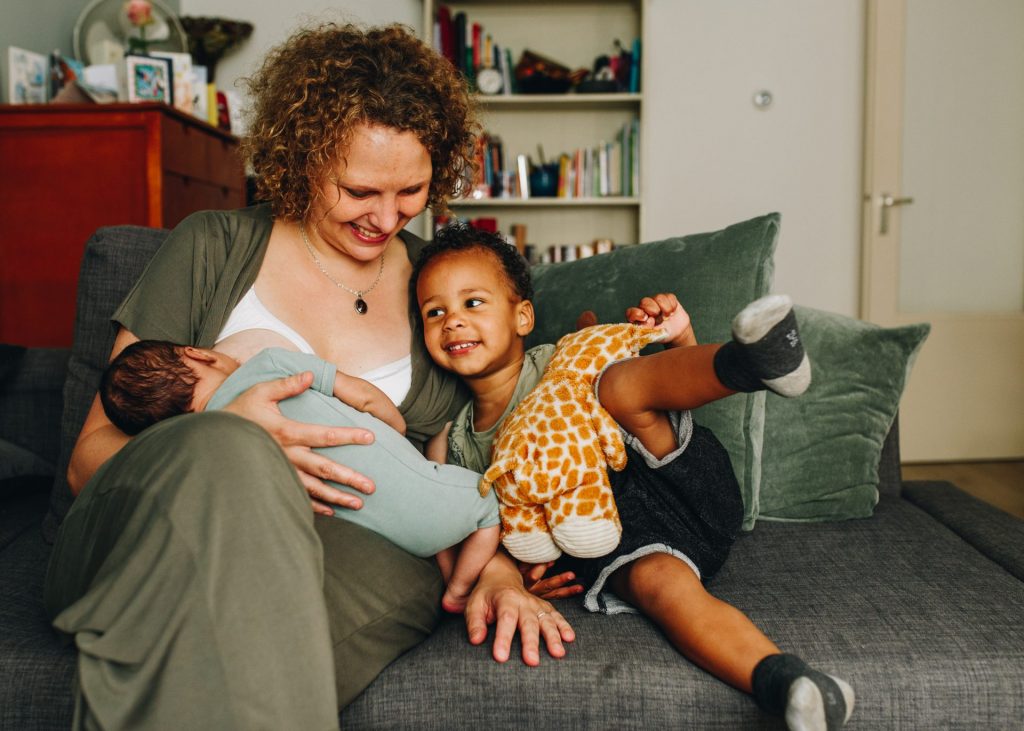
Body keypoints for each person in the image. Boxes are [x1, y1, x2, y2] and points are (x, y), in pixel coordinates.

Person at [44, 24, 573, 729]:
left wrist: (499, 570)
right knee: (231, 453)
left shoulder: (443, 291)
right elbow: (89, 463)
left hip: (356, 551)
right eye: (358, 190)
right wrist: (227, 432)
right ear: (301, 158)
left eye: (411, 191)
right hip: (167, 519)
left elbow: (465, 470)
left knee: (232, 642)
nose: (386, 218)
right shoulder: (212, 247)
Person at [412, 223, 856, 731]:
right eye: (435, 312)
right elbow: (466, 530)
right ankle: (790, 684)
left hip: (670, 476)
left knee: (617, 385)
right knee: (664, 592)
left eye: (472, 303)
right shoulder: (455, 442)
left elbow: (658, 385)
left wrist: (678, 339)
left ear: (522, 315)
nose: (452, 323)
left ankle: (751, 362)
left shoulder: (564, 357)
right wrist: (512, 573)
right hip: (622, 545)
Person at [97, 338, 500, 608]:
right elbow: (362, 395)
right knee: (488, 503)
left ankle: (451, 578)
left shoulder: (216, 458)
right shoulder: (269, 364)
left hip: (386, 537)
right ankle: (460, 588)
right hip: (434, 500)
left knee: (425, 514)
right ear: (200, 354)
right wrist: (394, 430)